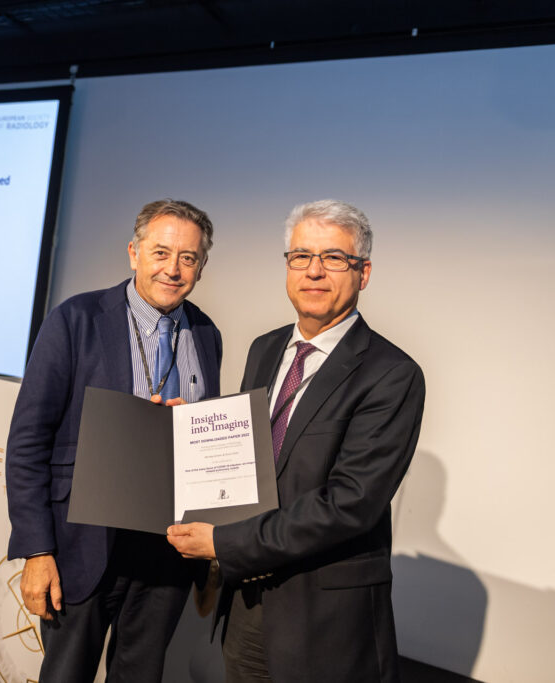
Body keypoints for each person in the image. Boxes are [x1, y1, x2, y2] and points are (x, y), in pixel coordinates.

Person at [167, 199, 425, 682]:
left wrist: (225, 541)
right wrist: (191, 432)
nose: (314, 271)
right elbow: (249, 459)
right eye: (301, 256)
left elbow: (349, 504)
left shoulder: (392, 374)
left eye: (334, 258)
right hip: (247, 604)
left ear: (364, 273)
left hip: (322, 620)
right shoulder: (265, 348)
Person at [5, 199, 222, 682]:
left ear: (202, 266)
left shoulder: (207, 333)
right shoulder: (76, 319)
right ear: (133, 253)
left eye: (188, 258)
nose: (172, 269)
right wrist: (37, 551)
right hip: (83, 542)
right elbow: (28, 441)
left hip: (166, 553)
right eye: (160, 252)